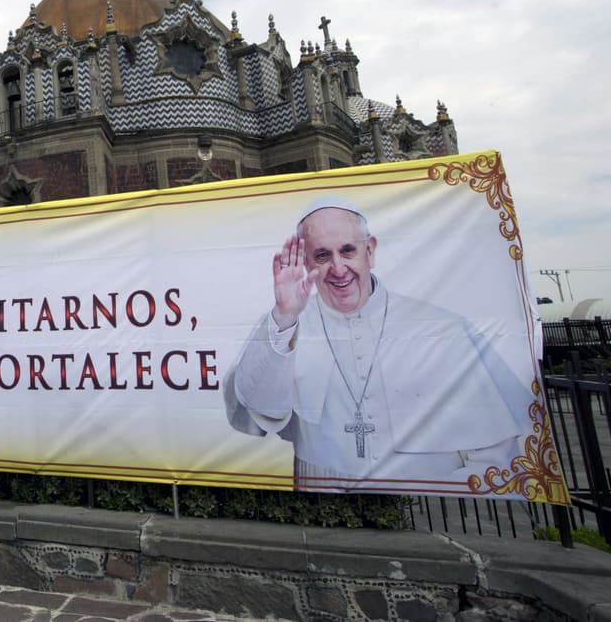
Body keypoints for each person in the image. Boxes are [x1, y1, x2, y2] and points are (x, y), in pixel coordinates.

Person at [224, 195, 534, 490]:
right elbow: (256, 411)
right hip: (321, 501)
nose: (338, 269)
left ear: (370, 251)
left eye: (348, 251)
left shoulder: (443, 328)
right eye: (322, 255)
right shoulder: (286, 323)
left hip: (423, 500)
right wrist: (284, 317)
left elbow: (495, 454)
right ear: (306, 262)